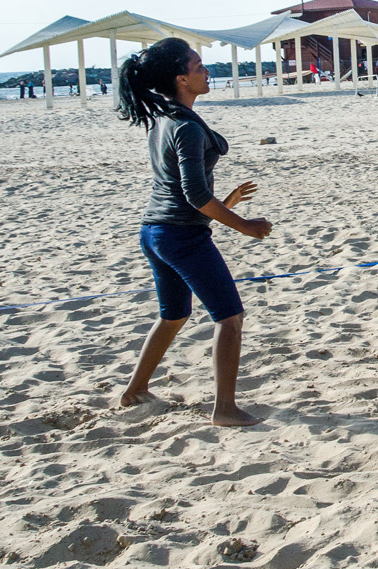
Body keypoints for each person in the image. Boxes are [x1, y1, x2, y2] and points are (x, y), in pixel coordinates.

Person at [113, 38, 271, 426]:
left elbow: (177, 189)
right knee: (229, 318)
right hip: (181, 237)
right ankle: (225, 409)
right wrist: (244, 226)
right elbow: (195, 195)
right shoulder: (184, 126)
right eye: (199, 67)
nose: (207, 72)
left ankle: (134, 391)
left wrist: (227, 202)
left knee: (172, 317)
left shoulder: (162, 118)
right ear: (181, 78)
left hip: (154, 232)